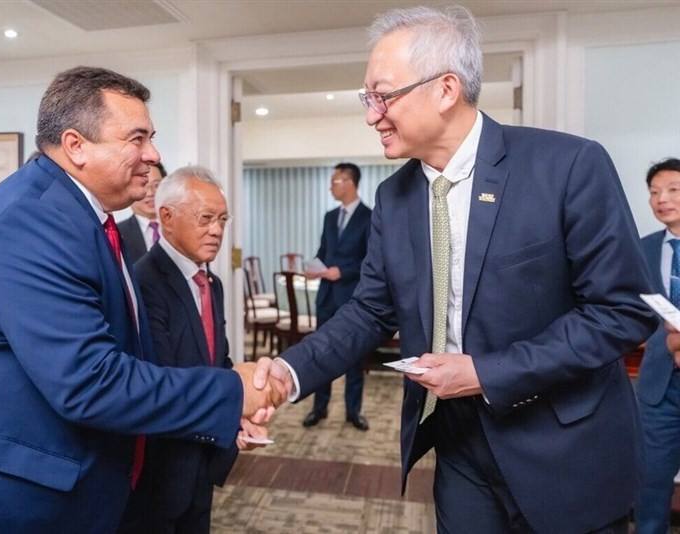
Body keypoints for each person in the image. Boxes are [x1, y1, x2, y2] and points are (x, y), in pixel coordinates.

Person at [260, 6, 657, 533]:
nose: (371, 114)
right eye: (367, 99)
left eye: (382, 95)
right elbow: (368, 314)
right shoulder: (395, 196)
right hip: (459, 448)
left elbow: (621, 311)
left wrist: (485, 373)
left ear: (446, 89)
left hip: (564, 450)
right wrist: (285, 375)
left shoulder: (567, 166)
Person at [0, 66, 279, 533]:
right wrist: (233, 392)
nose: (153, 155)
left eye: (151, 137)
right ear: (76, 146)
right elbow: (89, 381)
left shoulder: (85, 219)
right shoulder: (32, 220)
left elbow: (130, 359)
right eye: (137, 139)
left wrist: (216, 415)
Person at [121, 166, 264, 533]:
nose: (217, 230)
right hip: (161, 467)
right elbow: (162, 380)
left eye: (222, 219)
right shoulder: (144, 282)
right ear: (166, 217)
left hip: (201, 460)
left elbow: (219, 362)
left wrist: (239, 417)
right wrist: (230, 406)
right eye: (205, 219)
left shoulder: (210, 282)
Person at [302, 162, 371, 431]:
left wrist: (341, 271)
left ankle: (354, 412)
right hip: (327, 297)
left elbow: (370, 261)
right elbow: (323, 249)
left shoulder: (369, 216)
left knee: (354, 358)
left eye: (335, 181)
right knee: (321, 355)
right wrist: (315, 268)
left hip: (353, 299)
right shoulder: (330, 217)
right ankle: (319, 408)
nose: (331, 186)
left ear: (349, 182)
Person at [635, 157, 680, 534]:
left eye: (672, 190)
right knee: (650, 485)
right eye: (654, 192)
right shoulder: (641, 250)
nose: (661, 199)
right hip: (658, 389)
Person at [118, 161, 167, 263]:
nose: (150, 193)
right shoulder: (117, 234)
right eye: (143, 185)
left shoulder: (182, 227)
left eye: (156, 185)